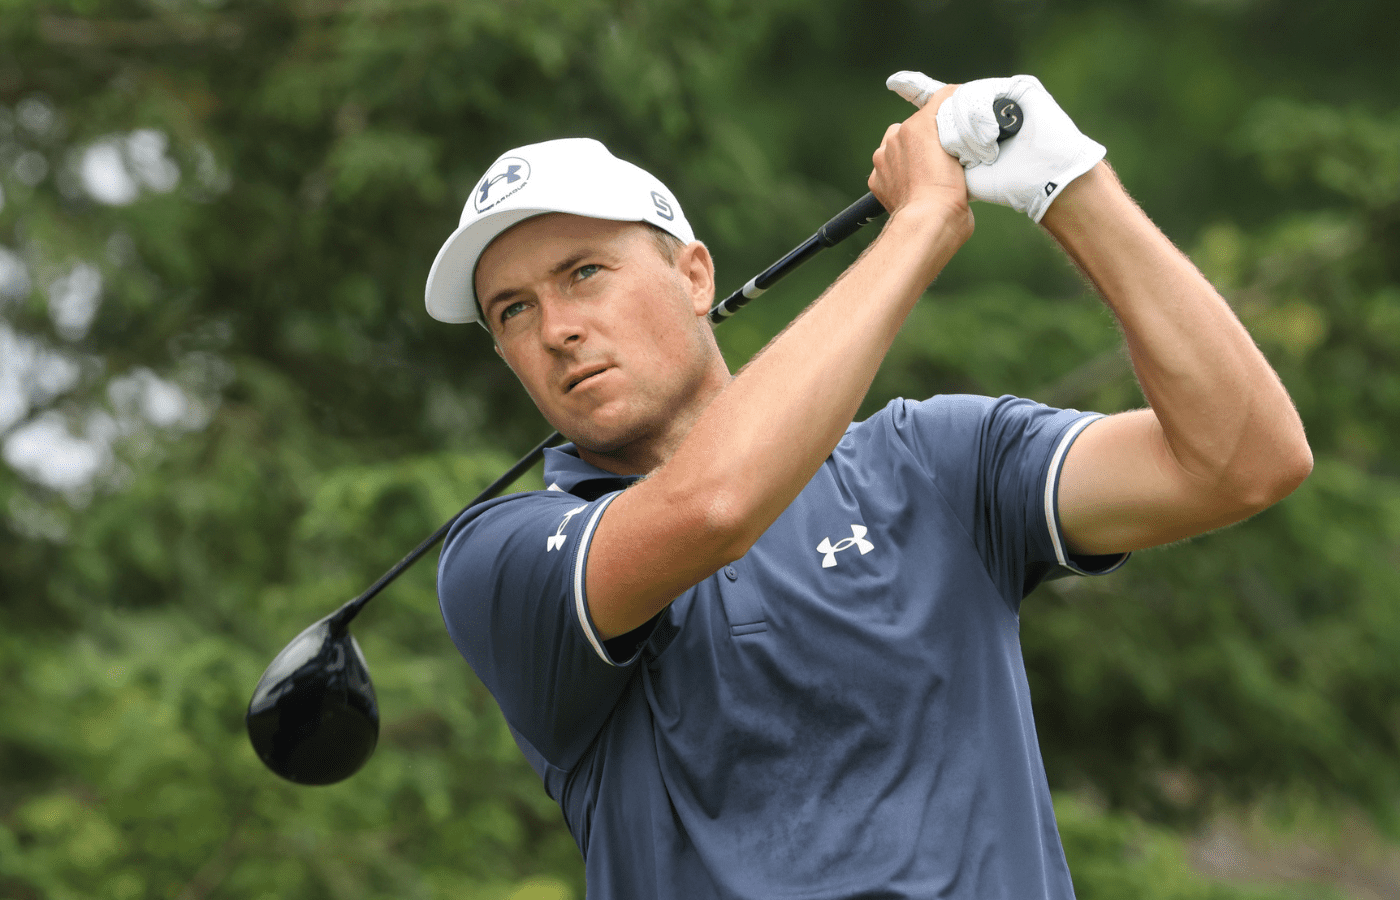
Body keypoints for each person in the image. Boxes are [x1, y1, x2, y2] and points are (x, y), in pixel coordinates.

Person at [425, 72, 1311, 898]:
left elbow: (1243, 461)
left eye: (583, 272)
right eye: (514, 310)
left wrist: (1071, 185)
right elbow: (714, 504)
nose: (558, 329)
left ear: (694, 276)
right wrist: (922, 223)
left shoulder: (930, 461)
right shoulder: (504, 560)